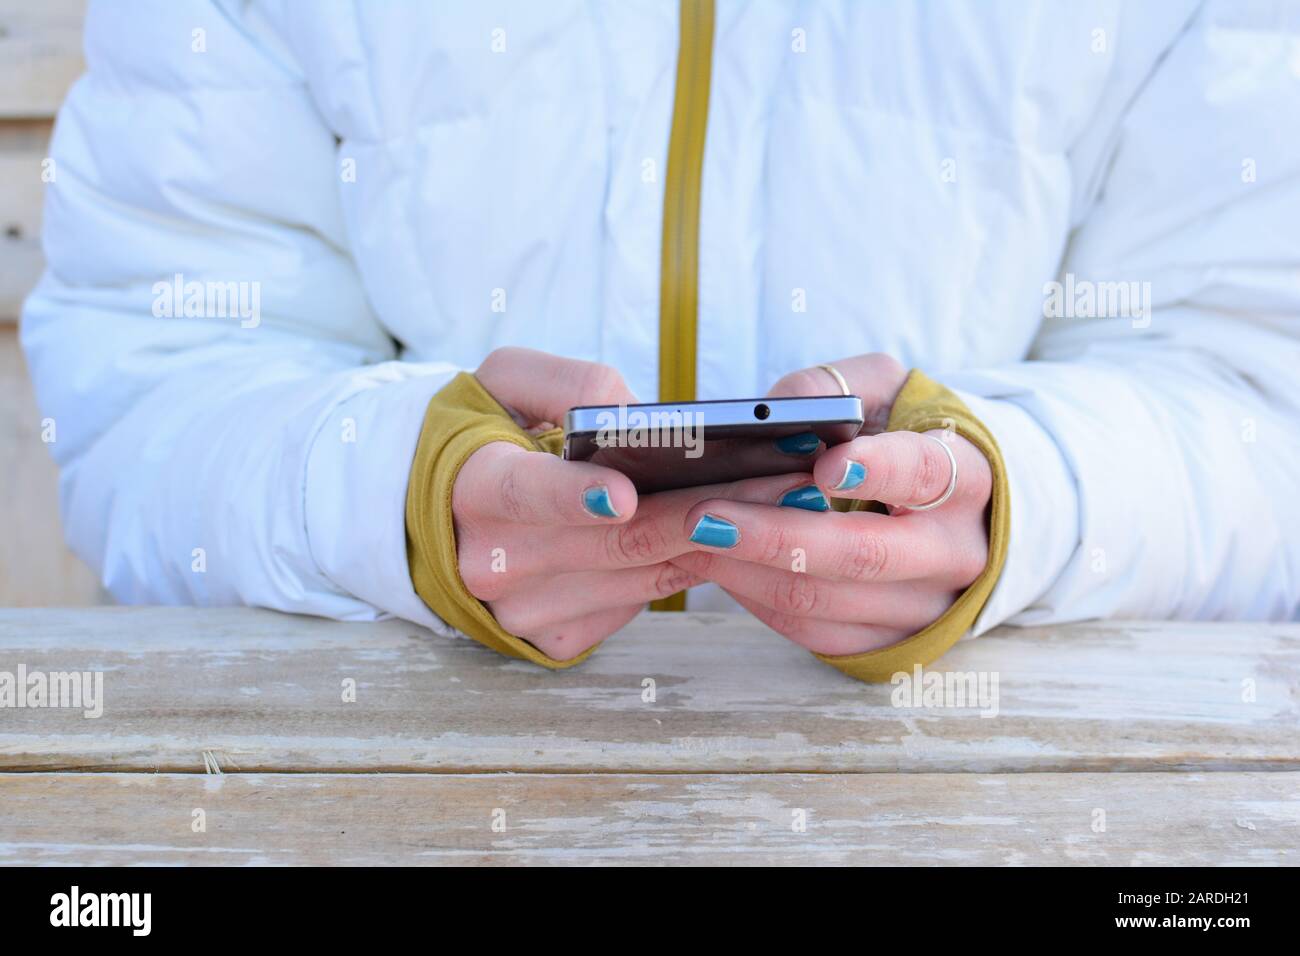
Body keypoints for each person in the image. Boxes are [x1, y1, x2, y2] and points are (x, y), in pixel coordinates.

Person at [22, 1, 1300, 682]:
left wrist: (1020, 500)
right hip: (411, 807)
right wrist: (391, 493)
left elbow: (1259, 394)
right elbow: (153, 382)